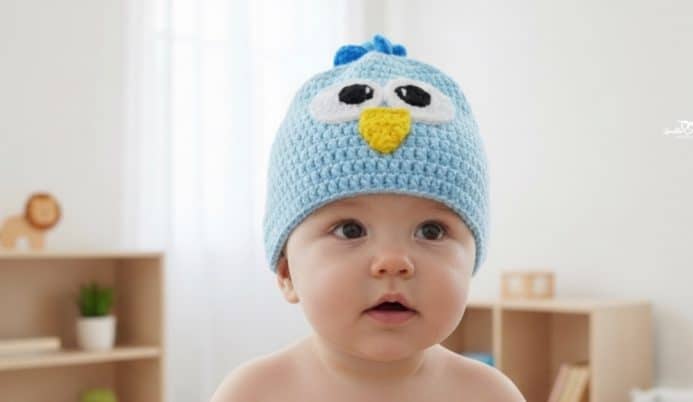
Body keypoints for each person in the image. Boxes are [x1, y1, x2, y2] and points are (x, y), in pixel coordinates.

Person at [211, 34, 526, 402]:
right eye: (350, 229)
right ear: (286, 273)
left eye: (431, 230)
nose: (393, 262)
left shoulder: (488, 395)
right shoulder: (255, 393)